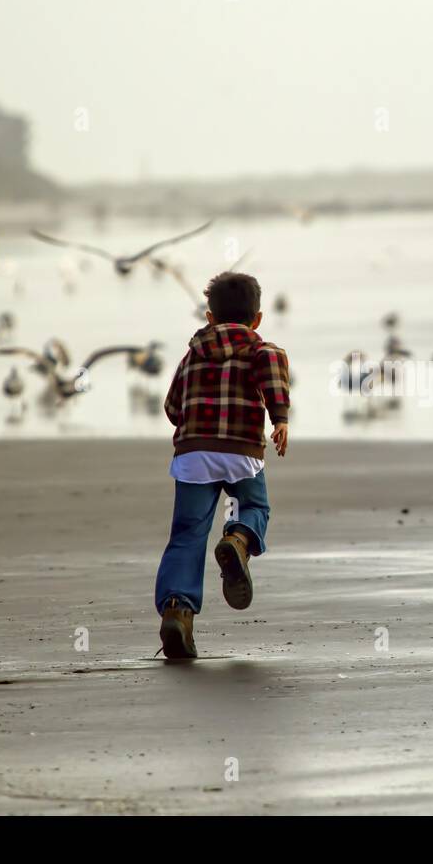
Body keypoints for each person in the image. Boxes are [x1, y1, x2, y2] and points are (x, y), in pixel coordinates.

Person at [155, 271, 290, 658]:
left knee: (187, 534)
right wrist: (279, 417)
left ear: (210, 317)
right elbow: (272, 367)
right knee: (254, 505)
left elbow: (172, 408)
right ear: (258, 319)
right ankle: (238, 539)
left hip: (195, 454)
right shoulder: (261, 349)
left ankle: (177, 610)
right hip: (241, 451)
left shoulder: (192, 354)